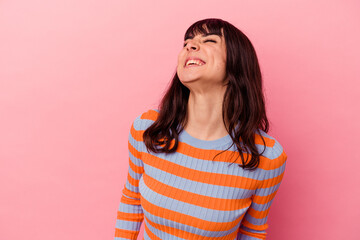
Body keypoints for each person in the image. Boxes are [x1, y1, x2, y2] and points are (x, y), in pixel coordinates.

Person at [114, 18, 287, 240]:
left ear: (238, 63)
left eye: (210, 40)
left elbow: (253, 231)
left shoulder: (267, 157)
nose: (190, 46)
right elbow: (131, 199)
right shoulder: (148, 129)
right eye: (187, 42)